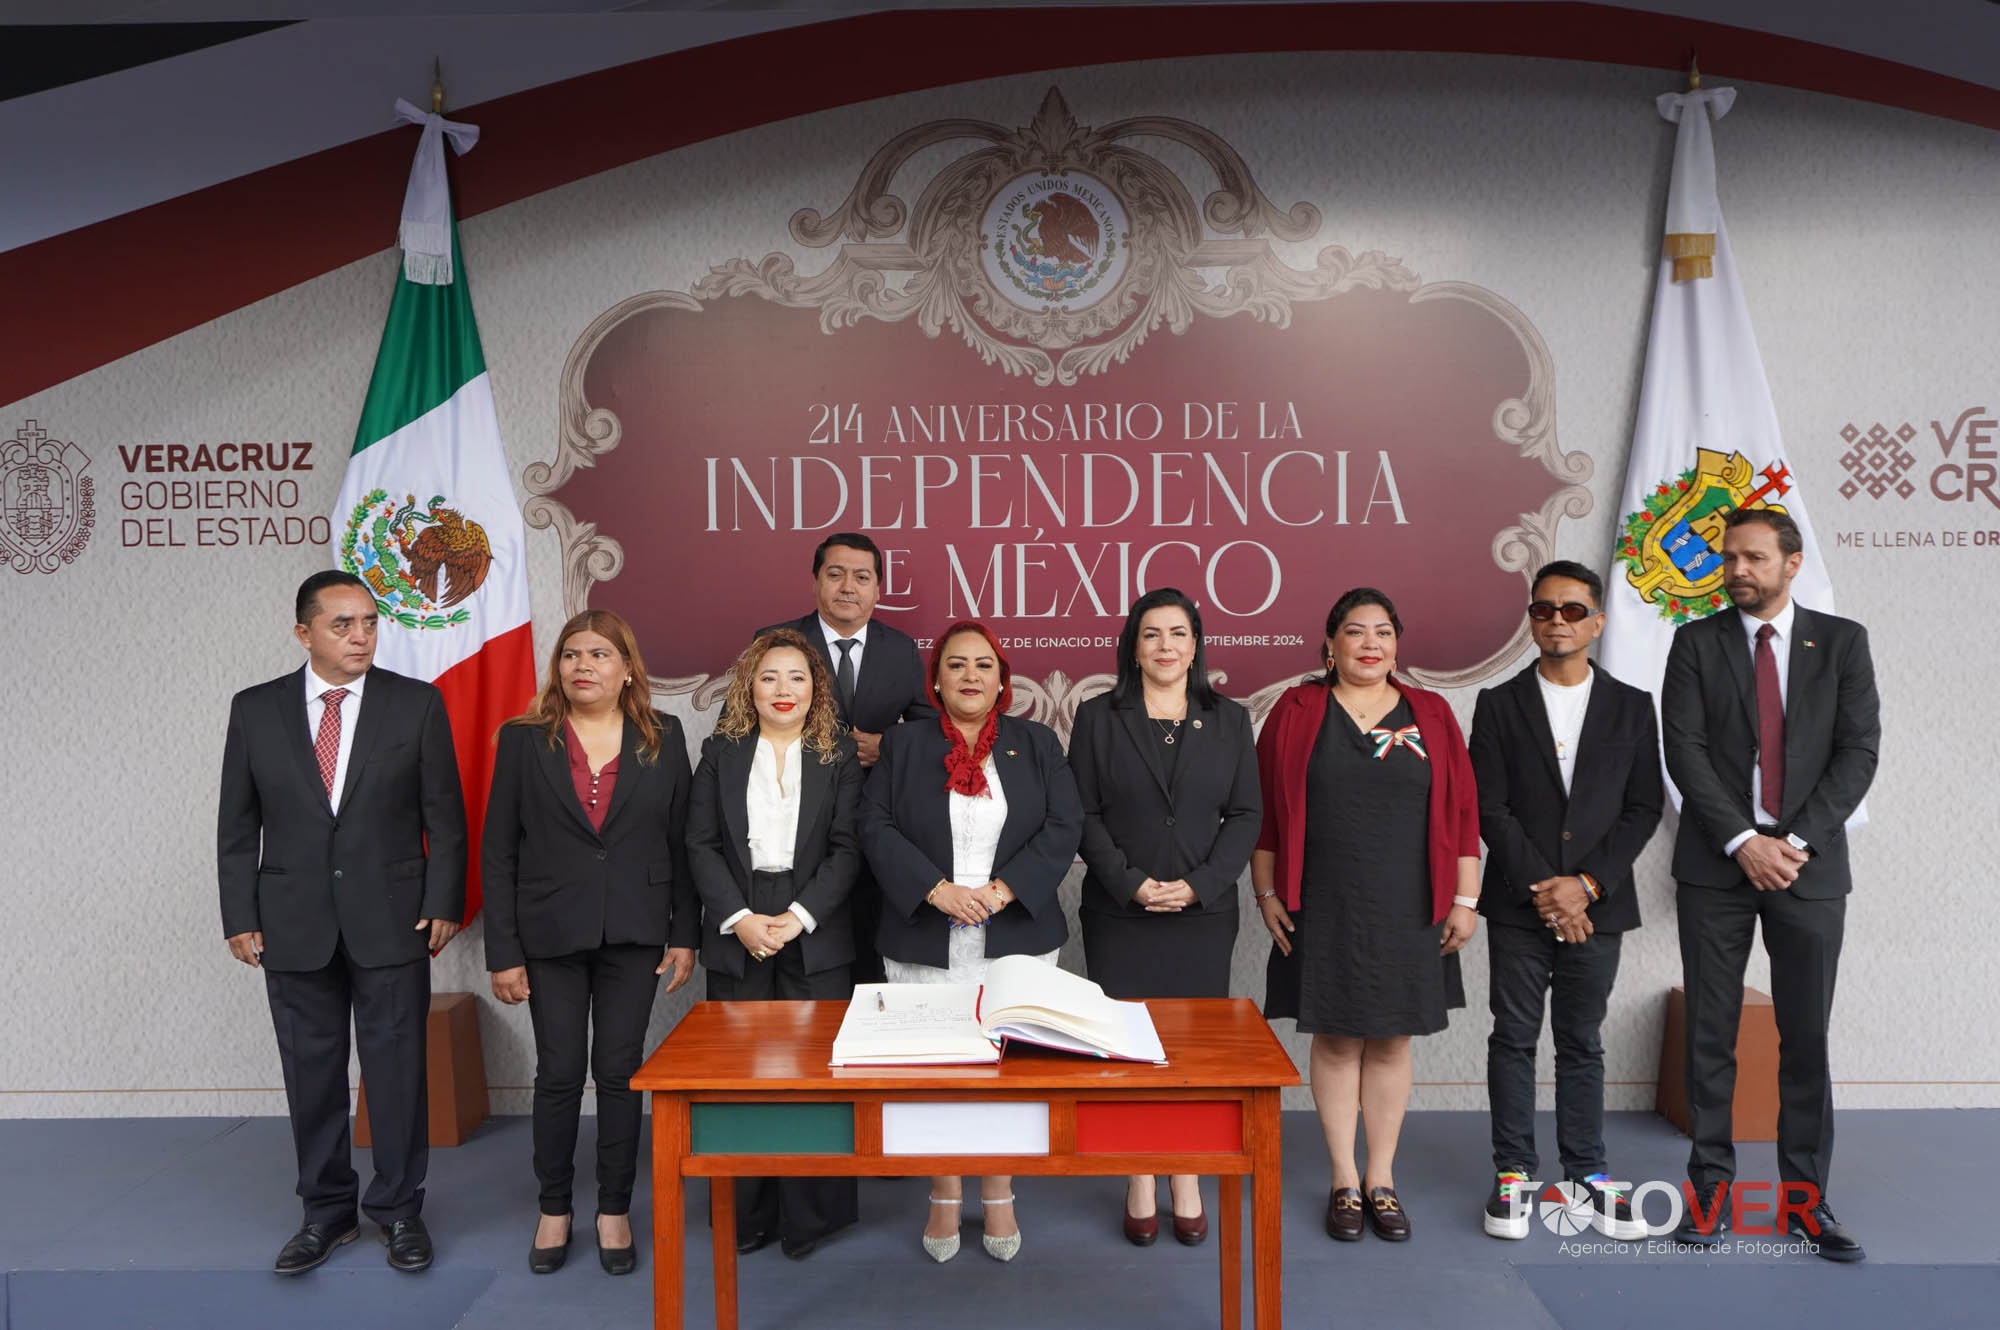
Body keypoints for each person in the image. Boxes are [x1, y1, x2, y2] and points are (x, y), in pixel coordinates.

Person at [218, 570, 466, 1275]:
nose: (360, 636)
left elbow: (443, 818)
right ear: (304, 632)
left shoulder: (414, 704)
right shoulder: (256, 710)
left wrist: (444, 899)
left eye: (369, 623)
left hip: (392, 919)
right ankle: (326, 1213)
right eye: (342, 625)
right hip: (291, 920)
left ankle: (398, 1211)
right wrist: (239, 912)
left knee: (395, 1072)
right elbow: (237, 825)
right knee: (312, 1072)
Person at [1661, 508, 1878, 1261]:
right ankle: (1710, 1190)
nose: (1737, 571)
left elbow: (1859, 752)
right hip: (1716, 868)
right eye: (1729, 559)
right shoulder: (1693, 643)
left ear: (1791, 562)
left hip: (1809, 873)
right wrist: (1743, 840)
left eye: (1753, 558)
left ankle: (1805, 1201)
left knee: (1805, 1036)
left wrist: (1794, 843)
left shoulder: (1842, 642)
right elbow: (1682, 750)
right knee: (1712, 1036)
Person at [1252, 587, 1480, 1243]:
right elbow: (1266, 814)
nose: (1371, 643)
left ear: (1397, 643)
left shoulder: (1431, 713)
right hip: (1319, 902)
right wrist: (1267, 895)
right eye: (1355, 631)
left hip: (1411, 903)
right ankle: (1343, 1180)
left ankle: (1382, 1179)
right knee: (1336, 1036)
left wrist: (1465, 899)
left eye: (1383, 631)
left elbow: (1463, 813)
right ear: (1330, 643)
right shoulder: (1297, 711)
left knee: (1391, 1038)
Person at [482, 610, 699, 1276]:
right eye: (572, 654)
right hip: (548, 932)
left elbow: (682, 843)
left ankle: (612, 1209)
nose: (583, 665)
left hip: (635, 932)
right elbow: (498, 851)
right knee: (557, 1074)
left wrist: (684, 934)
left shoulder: (664, 735)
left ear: (627, 667)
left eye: (599, 654)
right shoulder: (524, 738)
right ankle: (554, 1208)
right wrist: (504, 951)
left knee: (618, 1071)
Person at [860, 620, 1082, 1263]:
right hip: (926, 933)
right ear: (935, 680)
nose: (971, 676)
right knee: (936, 1073)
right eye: (956, 665)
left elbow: (1065, 825)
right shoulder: (903, 745)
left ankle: (1002, 1191)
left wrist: (1003, 891)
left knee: (1005, 1071)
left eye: (984, 665)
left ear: (1003, 680)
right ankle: (944, 1193)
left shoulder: (1036, 743)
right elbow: (873, 826)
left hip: (1014, 932)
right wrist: (936, 891)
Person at [1468, 561, 1663, 1242]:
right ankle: (1514, 1174)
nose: (1557, 620)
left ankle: (1586, 1172)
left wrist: (1585, 886)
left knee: (1582, 1042)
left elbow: (1642, 809)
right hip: (1520, 904)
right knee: (1514, 1038)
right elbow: (1488, 808)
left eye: (1573, 610)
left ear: (1597, 622)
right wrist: (1548, 889)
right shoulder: (1497, 703)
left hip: (1598, 906)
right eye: (1545, 609)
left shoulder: (1634, 706)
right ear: (1531, 619)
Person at [1070, 588, 1260, 1248]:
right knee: (1130, 1052)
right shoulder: (1099, 717)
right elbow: (1082, 814)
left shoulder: (1230, 719)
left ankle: (1187, 1173)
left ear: (1197, 644)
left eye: (1178, 633)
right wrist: (1132, 884)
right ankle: (1139, 1176)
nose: (1165, 646)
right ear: (1133, 646)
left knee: (1192, 1055)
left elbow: (1245, 815)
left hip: (1202, 915)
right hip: (1121, 913)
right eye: (1151, 634)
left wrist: (1200, 885)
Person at [688, 628, 864, 1261]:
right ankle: (746, 1213)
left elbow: (848, 849)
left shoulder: (839, 754)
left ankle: (810, 1216)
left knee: (813, 1076)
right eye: (769, 677)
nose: (783, 690)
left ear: (816, 688)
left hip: (814, 925)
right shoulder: (721, 751)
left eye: (797, 677)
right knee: (742, 1077)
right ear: (749, 687)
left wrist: (797, 915)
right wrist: (739, 917)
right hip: (739, 922)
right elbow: (700, 843)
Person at [763, 532, 936, 985]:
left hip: (879, 823)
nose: (847, 587)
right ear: (815, 582)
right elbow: (739, 728)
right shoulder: (778, 642)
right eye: (835, 574)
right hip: (798, 827)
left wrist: (887, 744)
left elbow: (929, 731)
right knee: (808, 966)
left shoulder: (900, 649)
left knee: (869, 959)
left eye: (862, 577)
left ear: (878, 589)